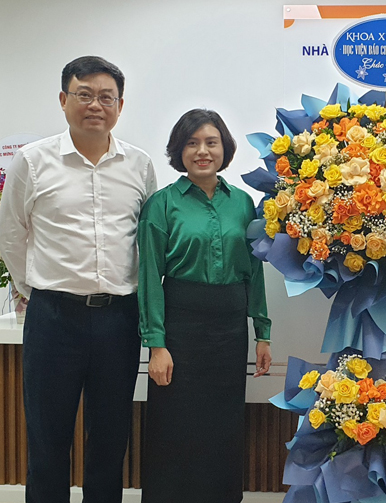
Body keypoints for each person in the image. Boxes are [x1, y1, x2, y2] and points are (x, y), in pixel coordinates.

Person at [0, 56, 157, 503]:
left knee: (110, 438)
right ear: (64, 100)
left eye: (106, 97)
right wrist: (35, 290)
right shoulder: (33, 161)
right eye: (84, 95)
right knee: (47, 440)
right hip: (54, 319)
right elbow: (10, 235)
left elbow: (146, 240)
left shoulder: (139, 165)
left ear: (120, 106)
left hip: (118, 320)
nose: (95, 105)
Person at [138, 108, 273, 503]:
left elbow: (254, 271)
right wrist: (156, 345)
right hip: (180, 330)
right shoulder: (162, 204)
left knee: (223, 427)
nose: (202, 151)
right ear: (179, 151)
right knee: (174, 426)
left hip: (229, 332)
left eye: (211, 142)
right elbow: (149, 277)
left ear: (224, 148)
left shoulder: (243, 204)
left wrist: (262, 332)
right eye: (192, 143)